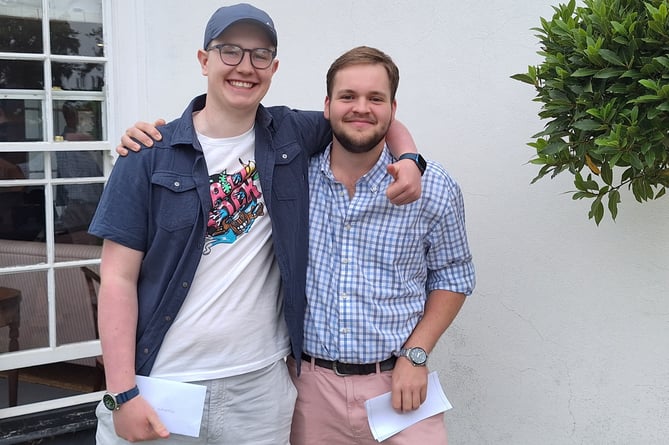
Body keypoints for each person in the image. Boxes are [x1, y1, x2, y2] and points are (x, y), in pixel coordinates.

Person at [90, 4, 423, 445]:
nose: (245, 67)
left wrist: (408, 158)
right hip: (165, 384)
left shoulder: (289, 133)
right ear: (204, 60)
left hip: (261, 390)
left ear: (274, 67)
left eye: (259, 55)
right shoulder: (148, 155)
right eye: (229, 51)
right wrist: (122, 393)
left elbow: (365, 117)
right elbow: (116, 280)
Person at [286, 46, 476, 445]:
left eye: (375, 98)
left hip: (400, 387)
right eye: (348, 96)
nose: (361, 108)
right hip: (309, 393)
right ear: (326, 105)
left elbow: (454, 274)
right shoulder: (292, 180)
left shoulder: (433, 186)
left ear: (393, 108)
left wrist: (416, 354)